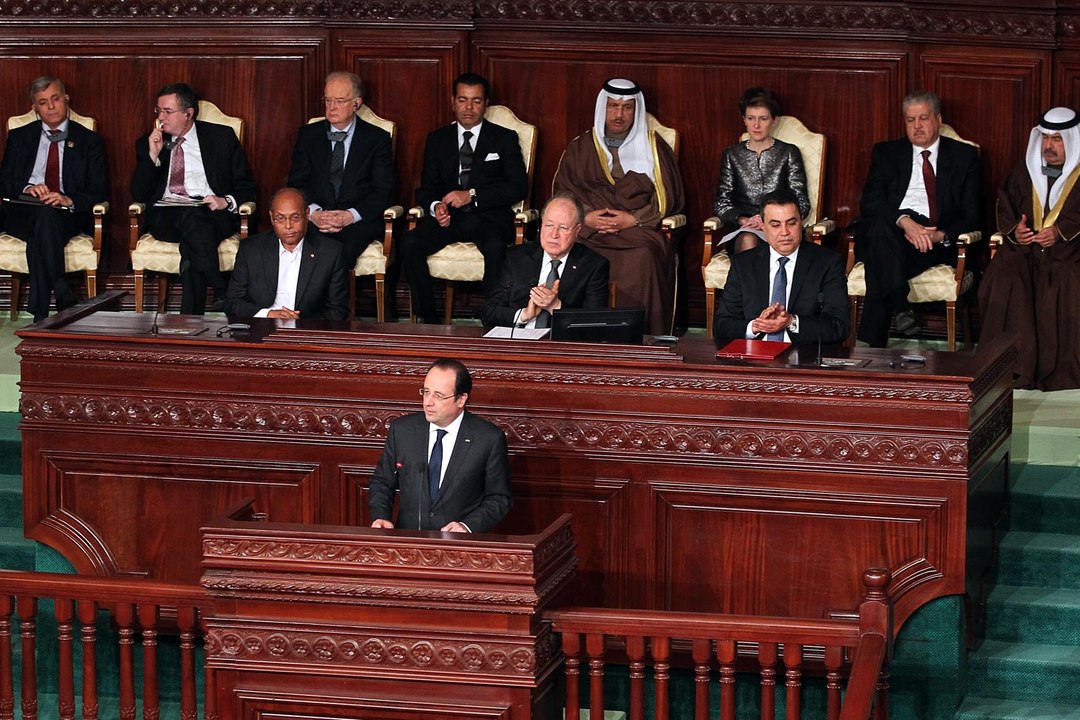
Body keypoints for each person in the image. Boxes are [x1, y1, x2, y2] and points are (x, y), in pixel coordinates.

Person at [552, 78, 685, 336]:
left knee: (646, 254)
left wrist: (633, 219)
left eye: (627, 108)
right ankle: (578, 334)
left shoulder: (654, 147)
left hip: (636, 231)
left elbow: (669, 198)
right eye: (613, 106)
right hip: (590, 231)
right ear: (603, 108)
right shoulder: (581, 147)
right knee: (574, 251)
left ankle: (642, 336)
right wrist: (586, 217)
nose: (619, 114)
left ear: (636, 111)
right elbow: (562, 193)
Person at [853, 90, 980, 347]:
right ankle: (900, 306)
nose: (917, 126)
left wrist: (938, 235)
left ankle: (874, 344)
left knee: (882, 252)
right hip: (892, 227)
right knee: (881, 226)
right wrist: (904, 221)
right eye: (910, 120)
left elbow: (973, 214)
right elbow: (871, 202)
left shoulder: (963, 156)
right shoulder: (886, 152)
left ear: (938, 119)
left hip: (929, 239)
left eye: (923, 118)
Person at [398, 73, 527, 323]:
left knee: (495, 248)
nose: (469, 107)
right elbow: (426, 188)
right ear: (453, 101)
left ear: (486, 103)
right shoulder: (437, 139)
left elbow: (518, 187)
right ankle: (430, 321)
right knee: (410, 243)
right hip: (450, 220)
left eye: (476, 101)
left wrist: (471, 195)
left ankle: (494, 319)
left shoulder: (504, 138)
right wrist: (436, 207)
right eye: (463, 100)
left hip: (490, 217)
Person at [130, 82, 256, 315]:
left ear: (188, 114)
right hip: (166, 218)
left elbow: (246, 185)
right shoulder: (149, 142)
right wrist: (152, 156)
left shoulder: (221, 138)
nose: (160, 117)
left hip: (211, 215)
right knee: (192, 220)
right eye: (158, 110)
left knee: (192, 247)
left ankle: (189, 320)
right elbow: (139, 193)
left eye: (167, 111)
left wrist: (225, 201)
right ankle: (221, 289)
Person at [978, 107, 1080, 391]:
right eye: (1045, 138)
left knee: (1063, 281)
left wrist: (1060, 232)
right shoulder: (1025, 170)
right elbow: (1005, 206)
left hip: (1069, 254)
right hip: (1024, 252)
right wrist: (1016, 232)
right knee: (1005, 278)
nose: (1049, 146)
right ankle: (1013, 368)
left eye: (1058, 140)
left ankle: (1059, 370)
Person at [0, 76, 107, 322]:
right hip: (23, 212)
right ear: (34, 108)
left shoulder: (89, 140)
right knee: (42, 218)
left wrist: (67, 199)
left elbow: (98, 190)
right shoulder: (20, 137)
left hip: (65, 215)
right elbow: (4, 182)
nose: (50, 107)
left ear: (66, 98)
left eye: (55, 99)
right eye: (43, 102)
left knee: (44, 225)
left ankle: (41, 311)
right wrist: (28, 187)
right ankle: (62, 293)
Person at [368, 358, 512, 533]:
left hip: (460, 548)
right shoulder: (403, 430)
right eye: (426, 392)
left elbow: (499, 498)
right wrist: (381, 516)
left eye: (439, 395)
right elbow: (382, 482)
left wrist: (467, 526)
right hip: (409, 544)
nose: (428, 401)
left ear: (461, 400)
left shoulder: (488, 439)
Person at [287, 71, 395, 271]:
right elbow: (296, 184)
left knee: (336, 250)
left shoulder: (376, 139)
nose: (331, 107)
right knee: (295, 244)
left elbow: (383, 191)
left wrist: (349, 216)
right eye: (327, 100)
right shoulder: (309, 135)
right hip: (317, 218)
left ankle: (333, 303)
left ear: (356, 103)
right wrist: (314, 213)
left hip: (357, 220)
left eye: (339, 101)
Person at [713, 189, 848, 343]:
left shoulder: (827, 263)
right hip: (754, 359)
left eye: (791, 223)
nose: (785, 232)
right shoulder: (743, 264)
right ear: (763, 227)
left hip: (802, 358)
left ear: (801, 223)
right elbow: (721, 326)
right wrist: (756, 326)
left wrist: (791, 322)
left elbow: (839, 327)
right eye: (775, 225)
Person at [482, 193, 610, 328]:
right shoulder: (515, 257)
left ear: (577, 230)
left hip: (560, 344)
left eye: (563, 228)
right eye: (549, 225)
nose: (554, 235)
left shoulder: (593, 265)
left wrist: (556, 306)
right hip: (519, 341)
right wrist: (524, 315)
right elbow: (489, 313)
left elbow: (595, 324)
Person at [222, 187, 349, 321]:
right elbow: (232, 302)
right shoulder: (251, 249)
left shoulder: (331, 252)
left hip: (307, 332)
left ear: (306, 214)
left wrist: (300, 323)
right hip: (261, 328)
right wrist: (268, 314)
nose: (288, 226)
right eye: (280, 218)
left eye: (295, 217)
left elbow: (338, 310)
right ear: (272, 218)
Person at [713, 87, 810, 253]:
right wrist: (744, 220)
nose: (756, 125)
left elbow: (801, 201)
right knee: (748, 239)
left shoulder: (788, 152)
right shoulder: (732, 154)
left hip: (781, 226)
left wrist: (772, 221)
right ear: (744, 119)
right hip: (746, 228)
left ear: (774, 120)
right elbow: (722, 203)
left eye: (763, 119)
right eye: (751, 118)